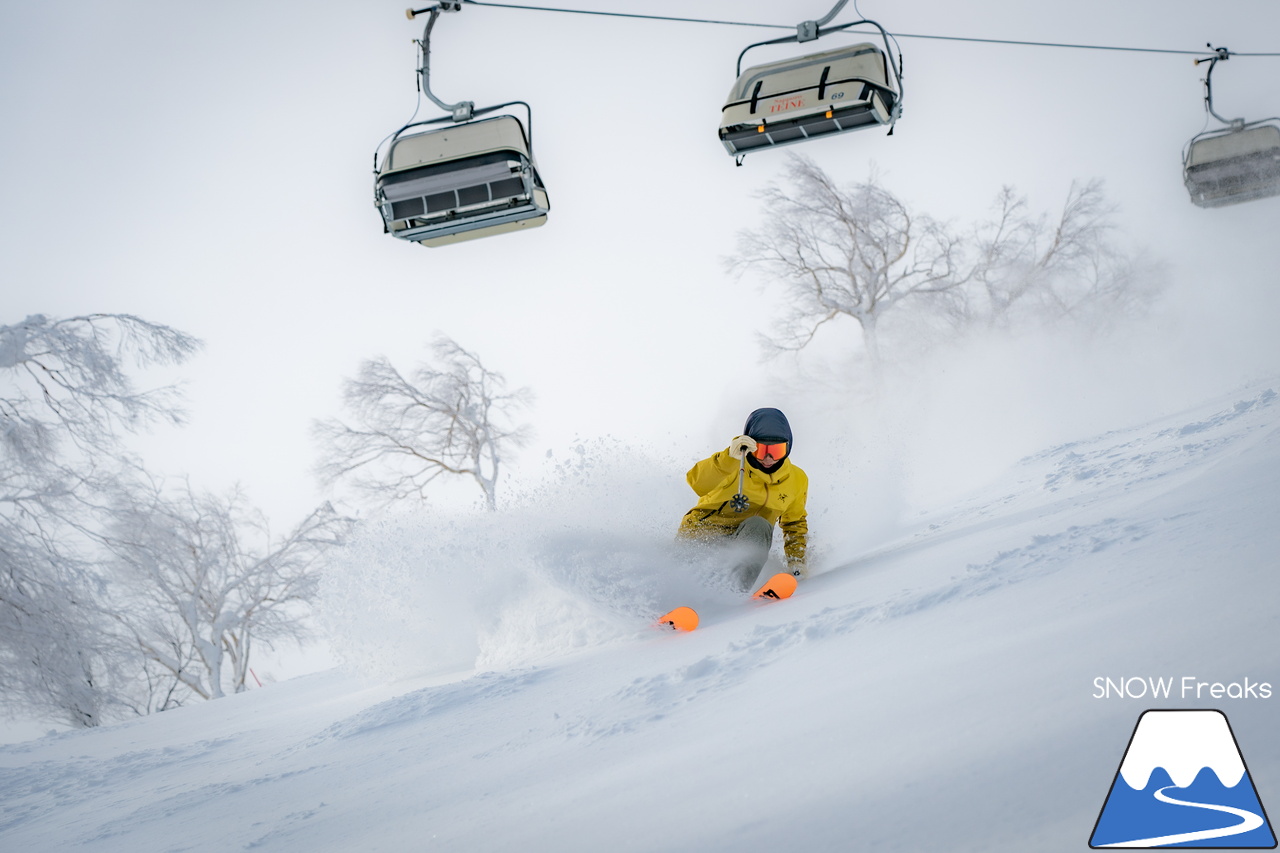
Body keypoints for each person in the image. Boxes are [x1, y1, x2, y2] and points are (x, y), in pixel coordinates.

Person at [677, 407, 809, 591]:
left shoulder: (796, 479)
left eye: (777, 450)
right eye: (762, 450)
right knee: (688, 575)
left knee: (760, 525)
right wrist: (728, 458)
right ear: (751, 446)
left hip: (745, 540)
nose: (769, 458)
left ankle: (733, 592)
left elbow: (794, 524)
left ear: (788, 447)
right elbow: (697, 482)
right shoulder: (734, 463)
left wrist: (797, 561)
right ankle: (678, 593)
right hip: (703, 535)